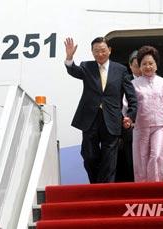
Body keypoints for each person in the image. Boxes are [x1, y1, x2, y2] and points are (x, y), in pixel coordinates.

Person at [64, 37, 137, 183]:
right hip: (90, 117)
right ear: (92, 53)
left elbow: (131, 96)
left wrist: (130, 115)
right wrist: (69, 57)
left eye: (103, 50)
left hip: (112, 118)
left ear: (109, 50)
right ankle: (96, 183)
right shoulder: (87, 67)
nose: (100, 54)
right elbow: (73, 71)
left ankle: (106, 189)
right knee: (89, 155)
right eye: (96, 51)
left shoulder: (121, 70)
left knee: (110, 158)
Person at [123, 45, 163, 182]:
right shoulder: (133, 84)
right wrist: (127, 118)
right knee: (141, 157)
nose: (148, 66)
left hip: (161, 124)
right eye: (144, 64)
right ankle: (143, 189)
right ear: (139, 66)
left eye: (151, 63)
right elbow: (127, 104)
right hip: (140, 125)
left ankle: (156, 186)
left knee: (157, 155)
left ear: (156, 65)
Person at [115, 50, 141, 182]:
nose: (141, 68)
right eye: (137, 65)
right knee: (131, 162)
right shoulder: (124, 82)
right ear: (130, 66)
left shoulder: (157, 81)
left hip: (150, 128)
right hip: (129, 128)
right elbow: (118, 105)